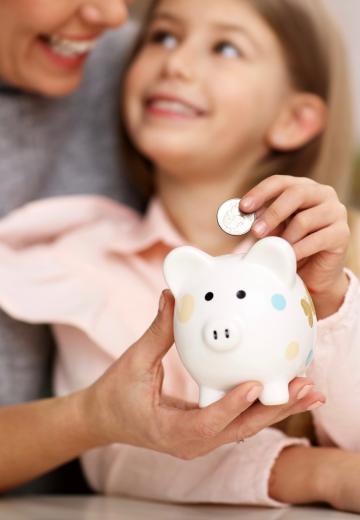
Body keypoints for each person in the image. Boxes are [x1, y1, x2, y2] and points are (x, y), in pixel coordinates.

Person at [0, 0, 317, 494]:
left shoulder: (100, 53)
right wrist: (324, 474)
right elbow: (127, 448)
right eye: (163, 37)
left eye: (225, 48)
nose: (112, 17)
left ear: (296, 120)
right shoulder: (84, 261)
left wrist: (335, 300)